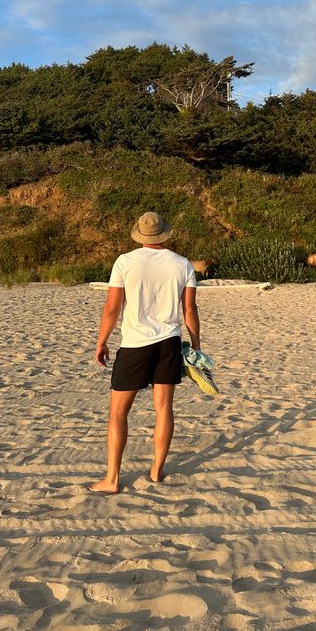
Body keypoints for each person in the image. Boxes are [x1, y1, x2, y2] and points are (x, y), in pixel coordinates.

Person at [87, 211, 200, 494]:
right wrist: (196, 345)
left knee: (118, 413)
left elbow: (112, 308)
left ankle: (112, 479)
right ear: (164, 233)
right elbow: (189, 310)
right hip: (169, 343)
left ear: (139, 234)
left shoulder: (125, 262)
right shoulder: (183, 264)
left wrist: (101, 341)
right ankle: (156, 472)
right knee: (164, 409)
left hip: (135, 344)